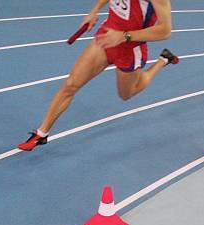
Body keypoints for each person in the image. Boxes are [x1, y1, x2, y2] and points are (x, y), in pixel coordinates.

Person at [18, 0, 178, 151]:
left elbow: (165, 31)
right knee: (71, 84)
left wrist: (124, 36)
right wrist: (94, 11)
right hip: (107, 35)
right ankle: (41, 133)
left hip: (130, 48)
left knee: (127, 94)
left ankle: (162, 61)